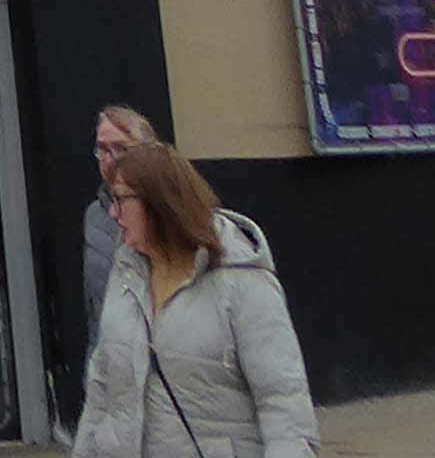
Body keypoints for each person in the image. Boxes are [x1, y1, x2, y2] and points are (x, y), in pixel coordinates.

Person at [72, 142, 317, 458]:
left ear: (159, 202)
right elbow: (101, 391)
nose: (112, 212)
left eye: (120, 199)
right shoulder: (125, 275)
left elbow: (283, 403)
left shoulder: (242, 281)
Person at [80, 103, 156, 331]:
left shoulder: (162, 209)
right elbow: (94, 306)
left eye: (120, 148)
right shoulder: (94, 216)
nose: (109, 159)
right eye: (102, 149)